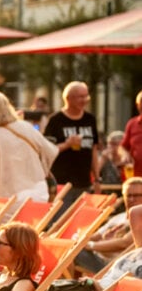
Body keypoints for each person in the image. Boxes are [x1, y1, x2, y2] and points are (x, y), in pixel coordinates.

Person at [0, 91, 58, 219]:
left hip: (8, 202)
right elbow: (51, 151)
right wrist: (39, 172)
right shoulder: (26, 127)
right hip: (39, 196)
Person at [44, 81, 101, 210]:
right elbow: (47, 151)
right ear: (68, 98)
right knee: (60, 221)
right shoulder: (55, 120)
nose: (84, 100)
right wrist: (67, 144)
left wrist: (97, 179)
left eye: (86, 96)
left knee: (82, 222)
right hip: (61, 183)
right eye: (80, 96)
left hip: (84, 183)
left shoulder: (90, 119)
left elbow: (94, 150)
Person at [73, 177, 142, 273]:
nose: (131, 199)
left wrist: (91, 245)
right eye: (128, 195)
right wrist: (78, 239)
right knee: (70, 247)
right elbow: (96, 236)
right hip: (97, 257)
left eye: (137, 195)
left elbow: (124, 242)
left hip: (114, 266)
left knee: (75, 252)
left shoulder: (139, 220)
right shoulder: (118, 217)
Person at [120, 89, 142, 175]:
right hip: (135, 176)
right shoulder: (132, 123)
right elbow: (123, 147)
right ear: (138, 105)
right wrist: (125, 155)